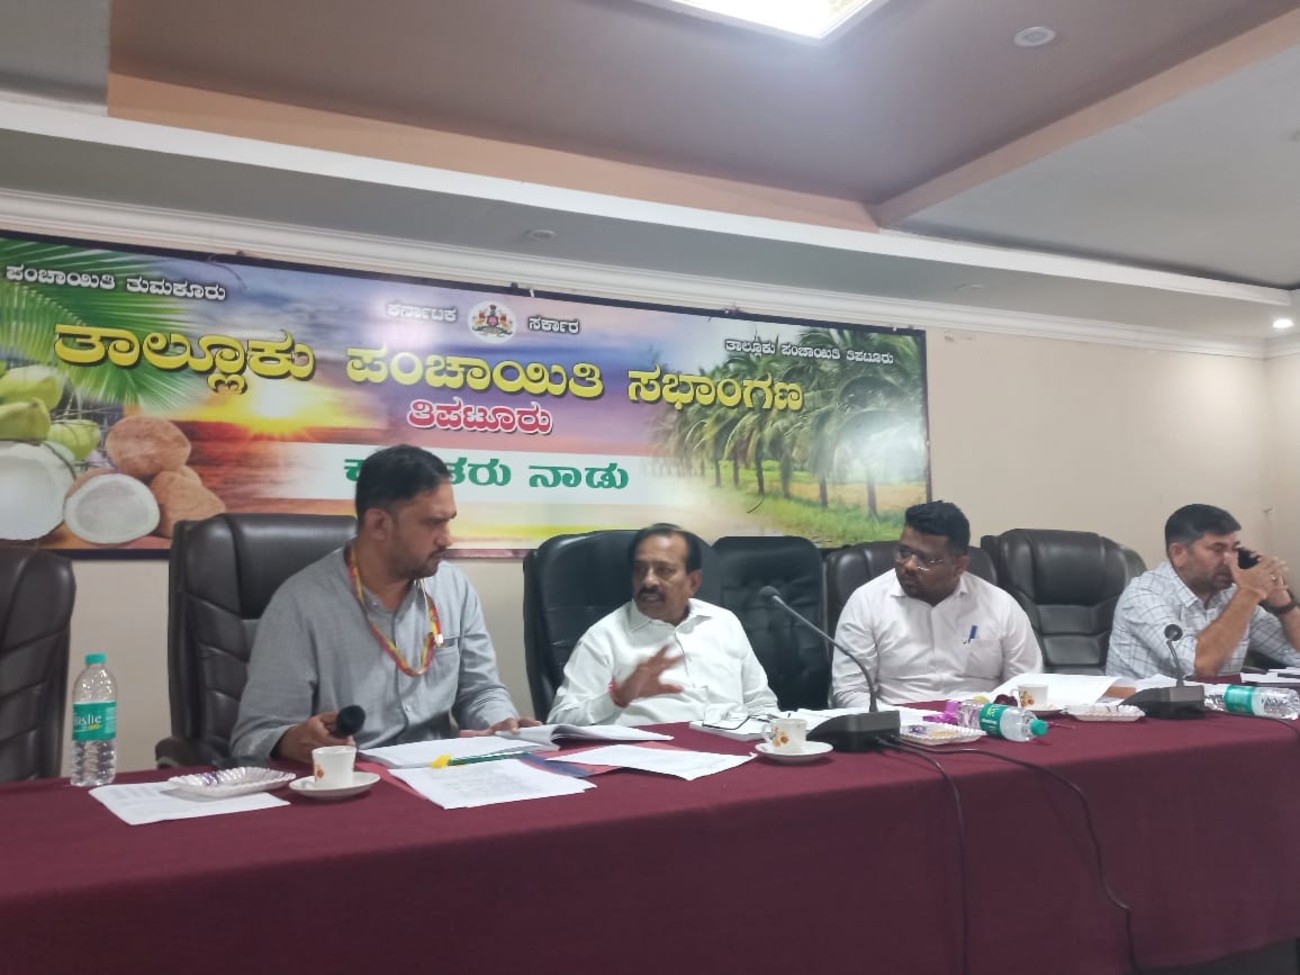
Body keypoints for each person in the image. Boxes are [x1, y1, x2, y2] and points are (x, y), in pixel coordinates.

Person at [231, 445, 534, 763]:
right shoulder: (300, 605)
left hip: (441, 770)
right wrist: (292, 740)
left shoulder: (454, 588)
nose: (447, 538)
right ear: (379, 524)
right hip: (355, 775)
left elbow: (480, 691)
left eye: (449, 522)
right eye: (433, 523)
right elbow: (254, 736)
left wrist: (500, 724)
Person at [547, 524, 778, 725]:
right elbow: (559, 720)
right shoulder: (603, 637)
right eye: (640, 570)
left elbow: (761, 704)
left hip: (736, 751)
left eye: (663, 571)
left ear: (693, 581)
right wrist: (616, 698)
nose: (648, 581)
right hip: (651, 755)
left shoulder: (724, 623)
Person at [832, 501, 1042, 707]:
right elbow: (850, 691)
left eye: (925, 559)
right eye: (903, 552)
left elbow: (1026, 684)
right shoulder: (867, 602)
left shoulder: (1000, 605)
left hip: (981, 720)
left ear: (959, 565)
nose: (909, 565)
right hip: (897, 722)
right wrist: (901, 722)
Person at [1106, 504, 1300, 681]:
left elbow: (1295, 655)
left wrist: (1282, 601)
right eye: (1217, 550)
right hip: (1145, 707)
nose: (1230, 560)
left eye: (1234, 550)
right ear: (1178, 553)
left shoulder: (1232, 596)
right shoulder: (1143, 596)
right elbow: (1200, 667)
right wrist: (1249, 592)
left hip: (1217, 705)